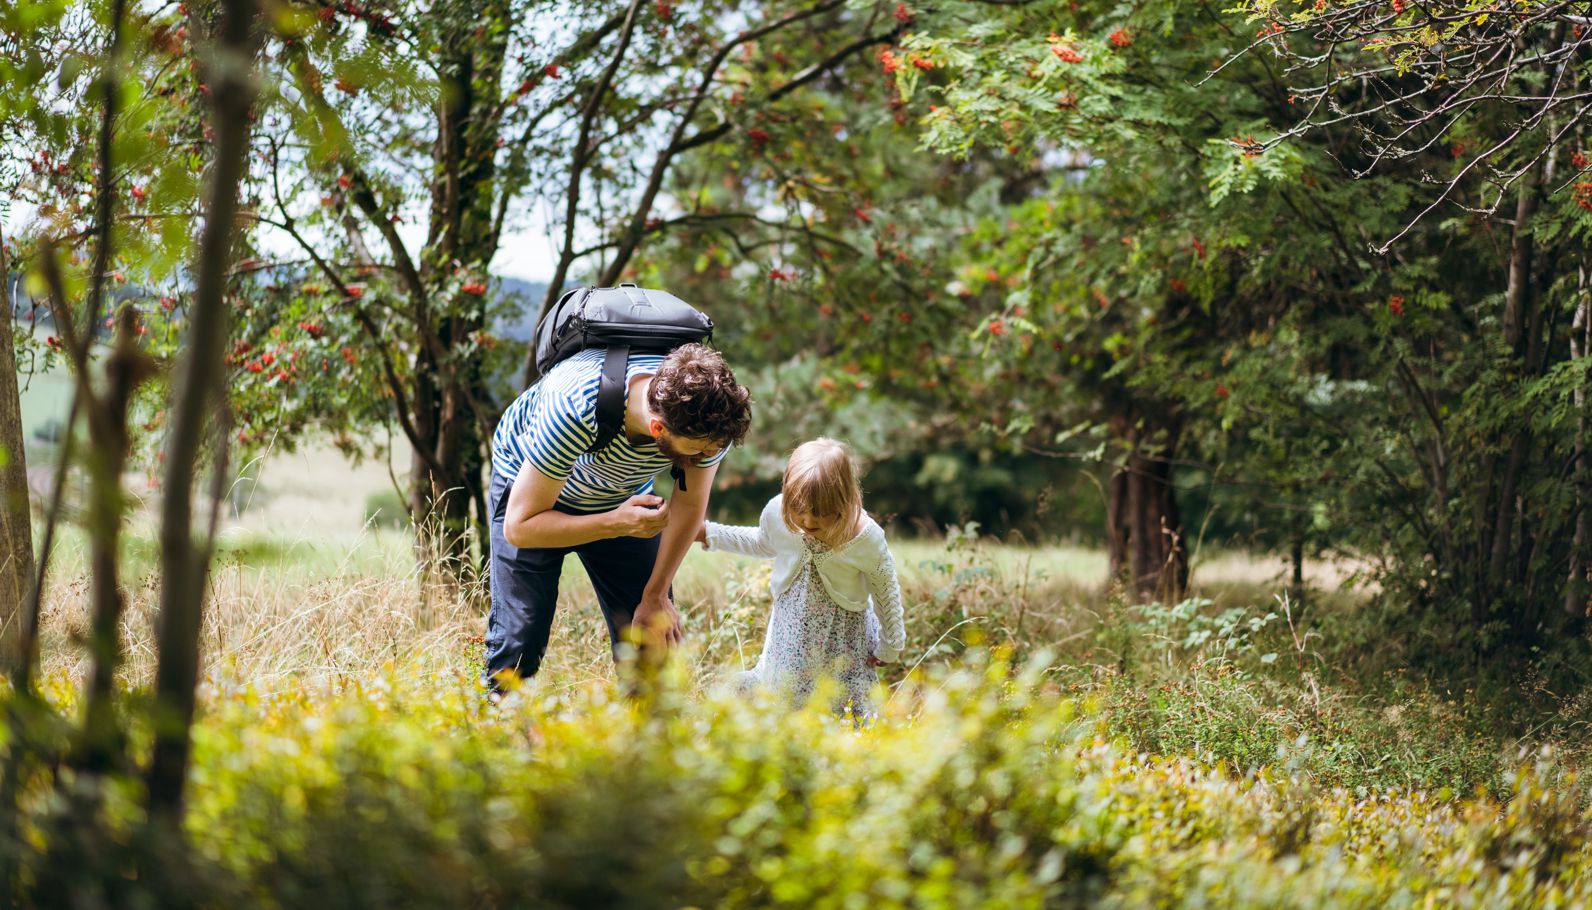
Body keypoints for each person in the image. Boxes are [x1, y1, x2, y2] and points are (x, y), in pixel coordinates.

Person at [485, 342, 752, 689]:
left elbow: (688, 504)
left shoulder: (711, 423)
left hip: (624, 495)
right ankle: (498, 730)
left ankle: (647, 739)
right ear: (658, 429)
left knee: (652, 639)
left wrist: (655, 594)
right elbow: (520, 528)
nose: (708, 455)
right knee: (519, 640)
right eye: (700, 450)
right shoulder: (575, 407)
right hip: (535, 499)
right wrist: (615, 522)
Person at [697, 438, 906, 715]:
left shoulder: (865, 539)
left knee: (839, 704)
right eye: (799, 510)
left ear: (843, 501)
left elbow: (885, 591)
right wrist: (708, 532)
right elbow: (760, 542)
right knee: (783, 696)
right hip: (790, 632)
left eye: (820, 513)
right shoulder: (777, 514)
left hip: (842, 637)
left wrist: (890, 645)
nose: (808, 522)